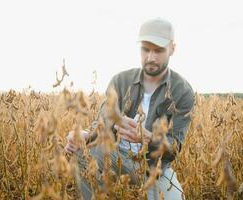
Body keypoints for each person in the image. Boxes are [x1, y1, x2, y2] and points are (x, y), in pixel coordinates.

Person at [65, 18, 194, 200]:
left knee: (176, 198)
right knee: (81, 152)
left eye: (158, 50)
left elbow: (174, 148)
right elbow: (101, 123)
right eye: (145, 49)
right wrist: (85, 134)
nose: (150, 57)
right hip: (114, 155)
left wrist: (148, 137)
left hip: (153, 168)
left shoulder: (183, 91)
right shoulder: (120, 81)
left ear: (172, 49)